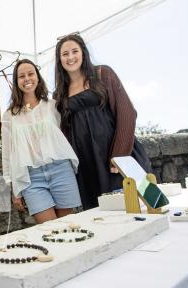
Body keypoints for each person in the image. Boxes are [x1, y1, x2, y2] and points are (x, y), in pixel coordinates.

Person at [54, 33, 152, 210]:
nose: (70, 57)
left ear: (83, 52)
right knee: (101, 216)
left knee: (143, 205)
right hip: (86, 162)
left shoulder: (103, 73)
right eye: (65, 54)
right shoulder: (59, 94)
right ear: (59, 59)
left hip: (115, 155)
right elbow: (64, 131)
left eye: (74, 51)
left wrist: (120, 155)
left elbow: (127, 113)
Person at [2, 59, 81, 224]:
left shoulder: (52, 106)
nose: (27, 79)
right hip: (32, 177)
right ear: (17, 82)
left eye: (30, 74)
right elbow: (7, 153)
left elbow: (64, 135)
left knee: (69, 227)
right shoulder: (10, 115)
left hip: (61, 170)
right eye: (21, 76)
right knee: (49, 230)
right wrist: (13, 187)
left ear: (37, 77)